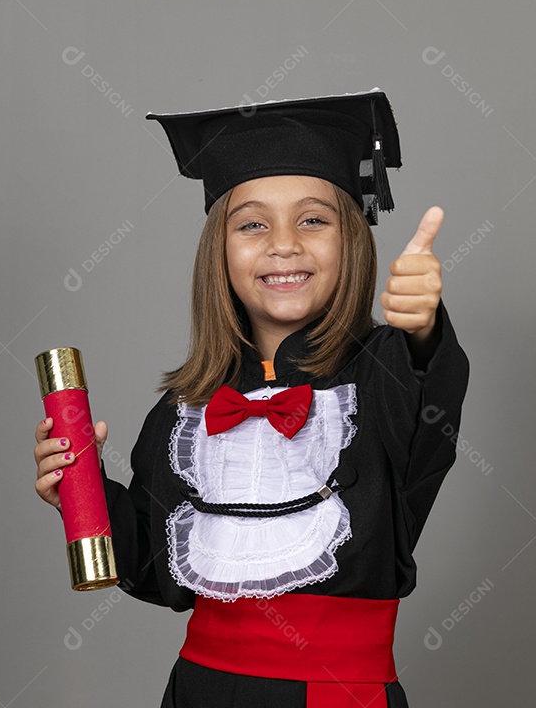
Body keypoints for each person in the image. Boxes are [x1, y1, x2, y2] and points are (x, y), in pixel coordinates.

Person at [33, 89, 470, 708]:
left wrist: (421, 325)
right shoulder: (186, 410)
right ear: (221, 251)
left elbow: (431, 393)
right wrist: (82, 495)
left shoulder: (381, 383)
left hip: (332, 695)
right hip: (199, 690)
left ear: (353, 241)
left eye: (314, 220)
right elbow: (162, 575)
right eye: (252, 224)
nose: (283, 244)